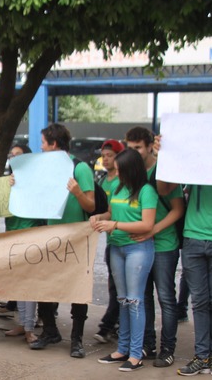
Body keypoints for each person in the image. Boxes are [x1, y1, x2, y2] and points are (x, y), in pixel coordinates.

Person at [29, 123, 95, 358]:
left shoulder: (80, 168)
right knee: (44, 286)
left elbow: (91, 205)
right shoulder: (45, 169)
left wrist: (77, 192)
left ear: (54, 144)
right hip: (49, 237)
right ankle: (50, 331)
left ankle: (76, 340)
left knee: (77, 289)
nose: (41, 147)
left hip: (76, 238)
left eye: (43, 143)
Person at [93, 148, 157, 372]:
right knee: (122, 299)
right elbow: (111, 213)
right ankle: (122, 349)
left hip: (137, 250)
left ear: (131, 169)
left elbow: (147, 225)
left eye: (120, 170)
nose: (116, 173)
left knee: (135, 300)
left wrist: (115, 226)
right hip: (116, 249)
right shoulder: (117, 187)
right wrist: (100, 218)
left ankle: (136, 354)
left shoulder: (146, 191)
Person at [154, 135, 212, 376]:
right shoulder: (196, 161)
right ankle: (203, 357)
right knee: (199, 302)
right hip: (192, 238)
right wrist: (164, 158)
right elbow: (163, 188)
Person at [125, 126, 184, 368]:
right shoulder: (131, 173)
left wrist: (153, 230)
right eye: (130, 148)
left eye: (138, 148)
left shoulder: (165, 169)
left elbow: (178, 209)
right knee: (144, 297)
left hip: (163, 245)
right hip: (140, 245)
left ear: (151, 146)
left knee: (167, 299)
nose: (134, 152)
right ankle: (148, 344)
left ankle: (167, 348)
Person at [3, 144, 45, 344]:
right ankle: (22, 324)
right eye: (12, 155)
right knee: (18, 284)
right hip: (13, 236)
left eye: (19, 155)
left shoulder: (37, 181)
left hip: (31, 236)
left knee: (30, 284)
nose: (14, 157)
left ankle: (30, 327)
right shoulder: (6, 182)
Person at [94, 139, 125, 344]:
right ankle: (117, 324)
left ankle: (107, 325)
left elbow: (111, 212)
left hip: (125, 238)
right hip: (110, 240)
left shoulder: (122, 182)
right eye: (103, 155)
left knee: (118, 287)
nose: (105, 159)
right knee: (115, 285)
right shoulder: (103, 180)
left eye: (110, 155)